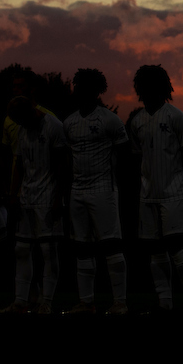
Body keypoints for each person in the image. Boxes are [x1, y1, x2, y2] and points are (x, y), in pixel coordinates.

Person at [128, 65, 183, 317]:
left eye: (150, 83)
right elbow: (137, 158)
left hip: (174, 192)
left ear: (162, 86)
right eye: (142, 84)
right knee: (155, 249)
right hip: (148, 194)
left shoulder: (176, 116)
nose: (144, 89)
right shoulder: (137, 121)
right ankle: (165, 302)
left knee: (176, 245)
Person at [62, 68, 131, 315]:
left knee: (111, 244)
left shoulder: (110, 120)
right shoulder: (68, 123)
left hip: (103, 190)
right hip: (77, 191)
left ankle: (120, 303)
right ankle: (86, 302)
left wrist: (121, 189)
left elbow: (124, 157)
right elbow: (67, 161)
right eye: (77, 85)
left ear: (95, 90)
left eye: (83, 86)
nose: (78, 90)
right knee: (81, 246)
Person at [0, 96, 68, 315]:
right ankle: (21, 301)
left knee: (48, 249)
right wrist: (13, 194)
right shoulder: (22, 130)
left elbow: (62, 165)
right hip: (27, 196)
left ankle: (46, 301)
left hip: (47, 196)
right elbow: (19, 163)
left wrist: (59, 198)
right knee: (21, 249)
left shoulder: (54, 127)